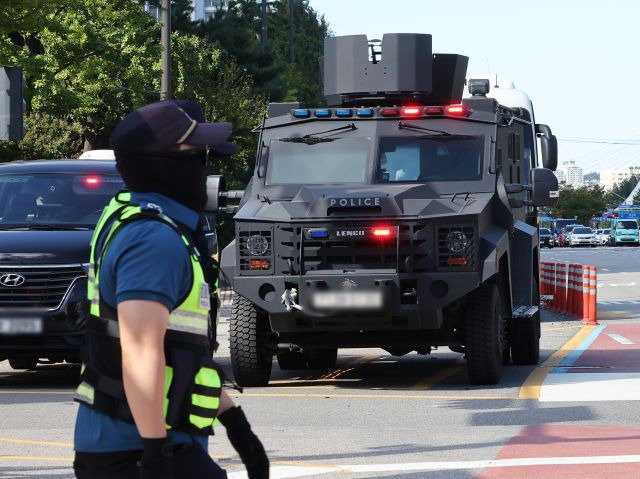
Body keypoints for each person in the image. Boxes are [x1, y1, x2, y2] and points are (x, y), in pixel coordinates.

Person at [73, 100, 269, 479]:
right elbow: (139, 349)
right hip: (135, 448)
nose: (205, 165)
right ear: (162, 164)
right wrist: (156, 454)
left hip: (149, 441)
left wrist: (234, 421)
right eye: (196, 153)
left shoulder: (156, 228)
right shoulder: (153, 239)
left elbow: (176, 352)